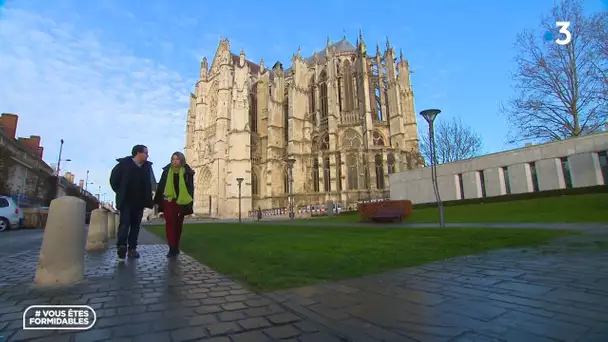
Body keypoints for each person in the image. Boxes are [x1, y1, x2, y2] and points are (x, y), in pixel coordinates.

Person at [110, 145, 155, 261]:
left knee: (135, 226)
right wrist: (120, 192)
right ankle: (121, 247)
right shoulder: (123, 165)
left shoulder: (146, 167)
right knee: (124, 224)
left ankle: (132, 249)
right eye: (146, 153)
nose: (147, 155)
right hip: (126, 201)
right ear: (138, 153)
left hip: (139, 202)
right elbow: (113, 180)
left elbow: (150, 183)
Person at [153, 152, 195, 258]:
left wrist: (189, 203)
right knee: (170, 223)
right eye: (173, 159)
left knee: (178, 224)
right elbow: (161, 186)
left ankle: (176, 245)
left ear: (181, 160)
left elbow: (190, 188)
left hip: (181, 201)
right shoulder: (167, 171)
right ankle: (171, 247)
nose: (175, 161)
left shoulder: (187, 172)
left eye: (177, 159)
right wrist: (158, 202)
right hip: (169, 200)